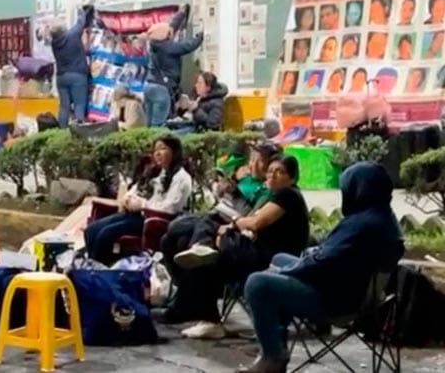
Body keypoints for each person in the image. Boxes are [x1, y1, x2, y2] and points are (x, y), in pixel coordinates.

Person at [239, 162, 404, 373]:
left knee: (258, 283)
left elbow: (323, 262)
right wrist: (303, 261)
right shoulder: (382, 217)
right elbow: (332, 255)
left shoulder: (362, 224)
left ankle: (272, 356)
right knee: (280, 258)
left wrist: (288, 271)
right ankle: (277, 345)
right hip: (355, 291)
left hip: (337, 301)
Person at [169, 155, 310, 340]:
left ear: (292, 178)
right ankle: (201, 249)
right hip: (260, 252)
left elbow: (256, 222)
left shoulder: (288, 195)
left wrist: (235, 223)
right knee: (196, 241)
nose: (272, 175)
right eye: (270, 171)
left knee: (207, 256)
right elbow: (253, 222)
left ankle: (209, 320)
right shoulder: (277, 196)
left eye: (280, 172)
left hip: (270, 258)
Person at [159, 142, 278, 325]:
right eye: (252, 159)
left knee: (185, 241)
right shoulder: (244, 177)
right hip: (217, 216)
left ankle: (185, 305)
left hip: (228, 227)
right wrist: (226, 186)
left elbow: (250, 217)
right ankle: (188, 298)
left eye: (259, 160)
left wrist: (236, 196)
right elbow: (224, 199)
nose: (253, 164)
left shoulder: (268, 191)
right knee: (171, 236)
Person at [83, 135, 192, 265]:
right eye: (155, 150)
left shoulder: (181, 178)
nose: (157, 153)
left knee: (105, 234)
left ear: (175, 151)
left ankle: (100, 270)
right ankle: (91, 266)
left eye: (163, 149)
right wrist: (128, 198)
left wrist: (142, 204)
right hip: (136, 214)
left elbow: (170, 208)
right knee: (91, 230)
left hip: (154, 221)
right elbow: (135, 188)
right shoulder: (156, 172)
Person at [144, 8, 203, 126]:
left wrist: (181, 13)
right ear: (165, 36)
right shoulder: (168, 47)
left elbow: (171, 28)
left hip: (149, 87)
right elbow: (188, 46)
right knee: (159, 125)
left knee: (149, 123)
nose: (171, 33)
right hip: (162, 89)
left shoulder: (154, 45)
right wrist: (201, 36)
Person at [51, 6, 92, 126]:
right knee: (79, 104)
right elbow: (80, 23)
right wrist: (80, 10)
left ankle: (61, 130)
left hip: (61, 77)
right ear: (63, 28)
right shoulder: (72, 35)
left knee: (64, 106)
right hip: (77, 75)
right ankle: (78, 129)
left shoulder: (54, 43)